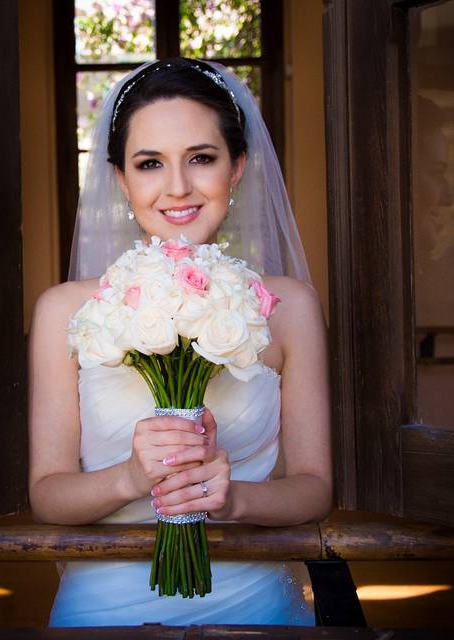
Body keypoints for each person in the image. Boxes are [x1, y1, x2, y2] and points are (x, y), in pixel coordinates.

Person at [28, 58, 332, 626]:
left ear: (237, 167)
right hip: (103, 608)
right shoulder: (64, 310)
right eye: (150, 164)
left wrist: (234, 496)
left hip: (253, 604)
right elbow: (47, 494)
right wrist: (130, 479)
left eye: (201, 158)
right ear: (121, 177)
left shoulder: (290, 308)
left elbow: (313, 489)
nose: (177, 188)